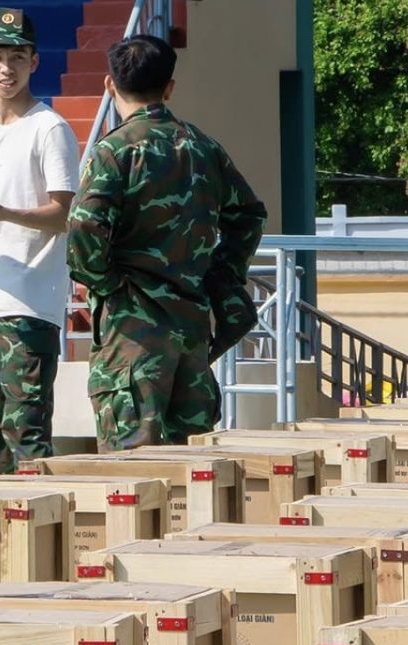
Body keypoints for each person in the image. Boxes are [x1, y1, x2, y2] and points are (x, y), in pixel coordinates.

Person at [66, 33, 268, 451]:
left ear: (109, 85)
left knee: (131, 469)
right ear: (169, 88)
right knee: (191, 471)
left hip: (131, 335)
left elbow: (84, 228)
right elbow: (247, 217)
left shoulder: (114, 151)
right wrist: (221, 275)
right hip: (191, 333)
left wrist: (107, 284)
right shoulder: (203, 148)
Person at [0, 7, 79, 471]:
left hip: (27, 302)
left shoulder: (49, 128)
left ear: (34, 61)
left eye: (16, 57)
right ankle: (2, 515)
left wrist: (2, 212)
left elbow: (64, 214)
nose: (6, 68)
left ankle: (35, 517)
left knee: (25, 434)